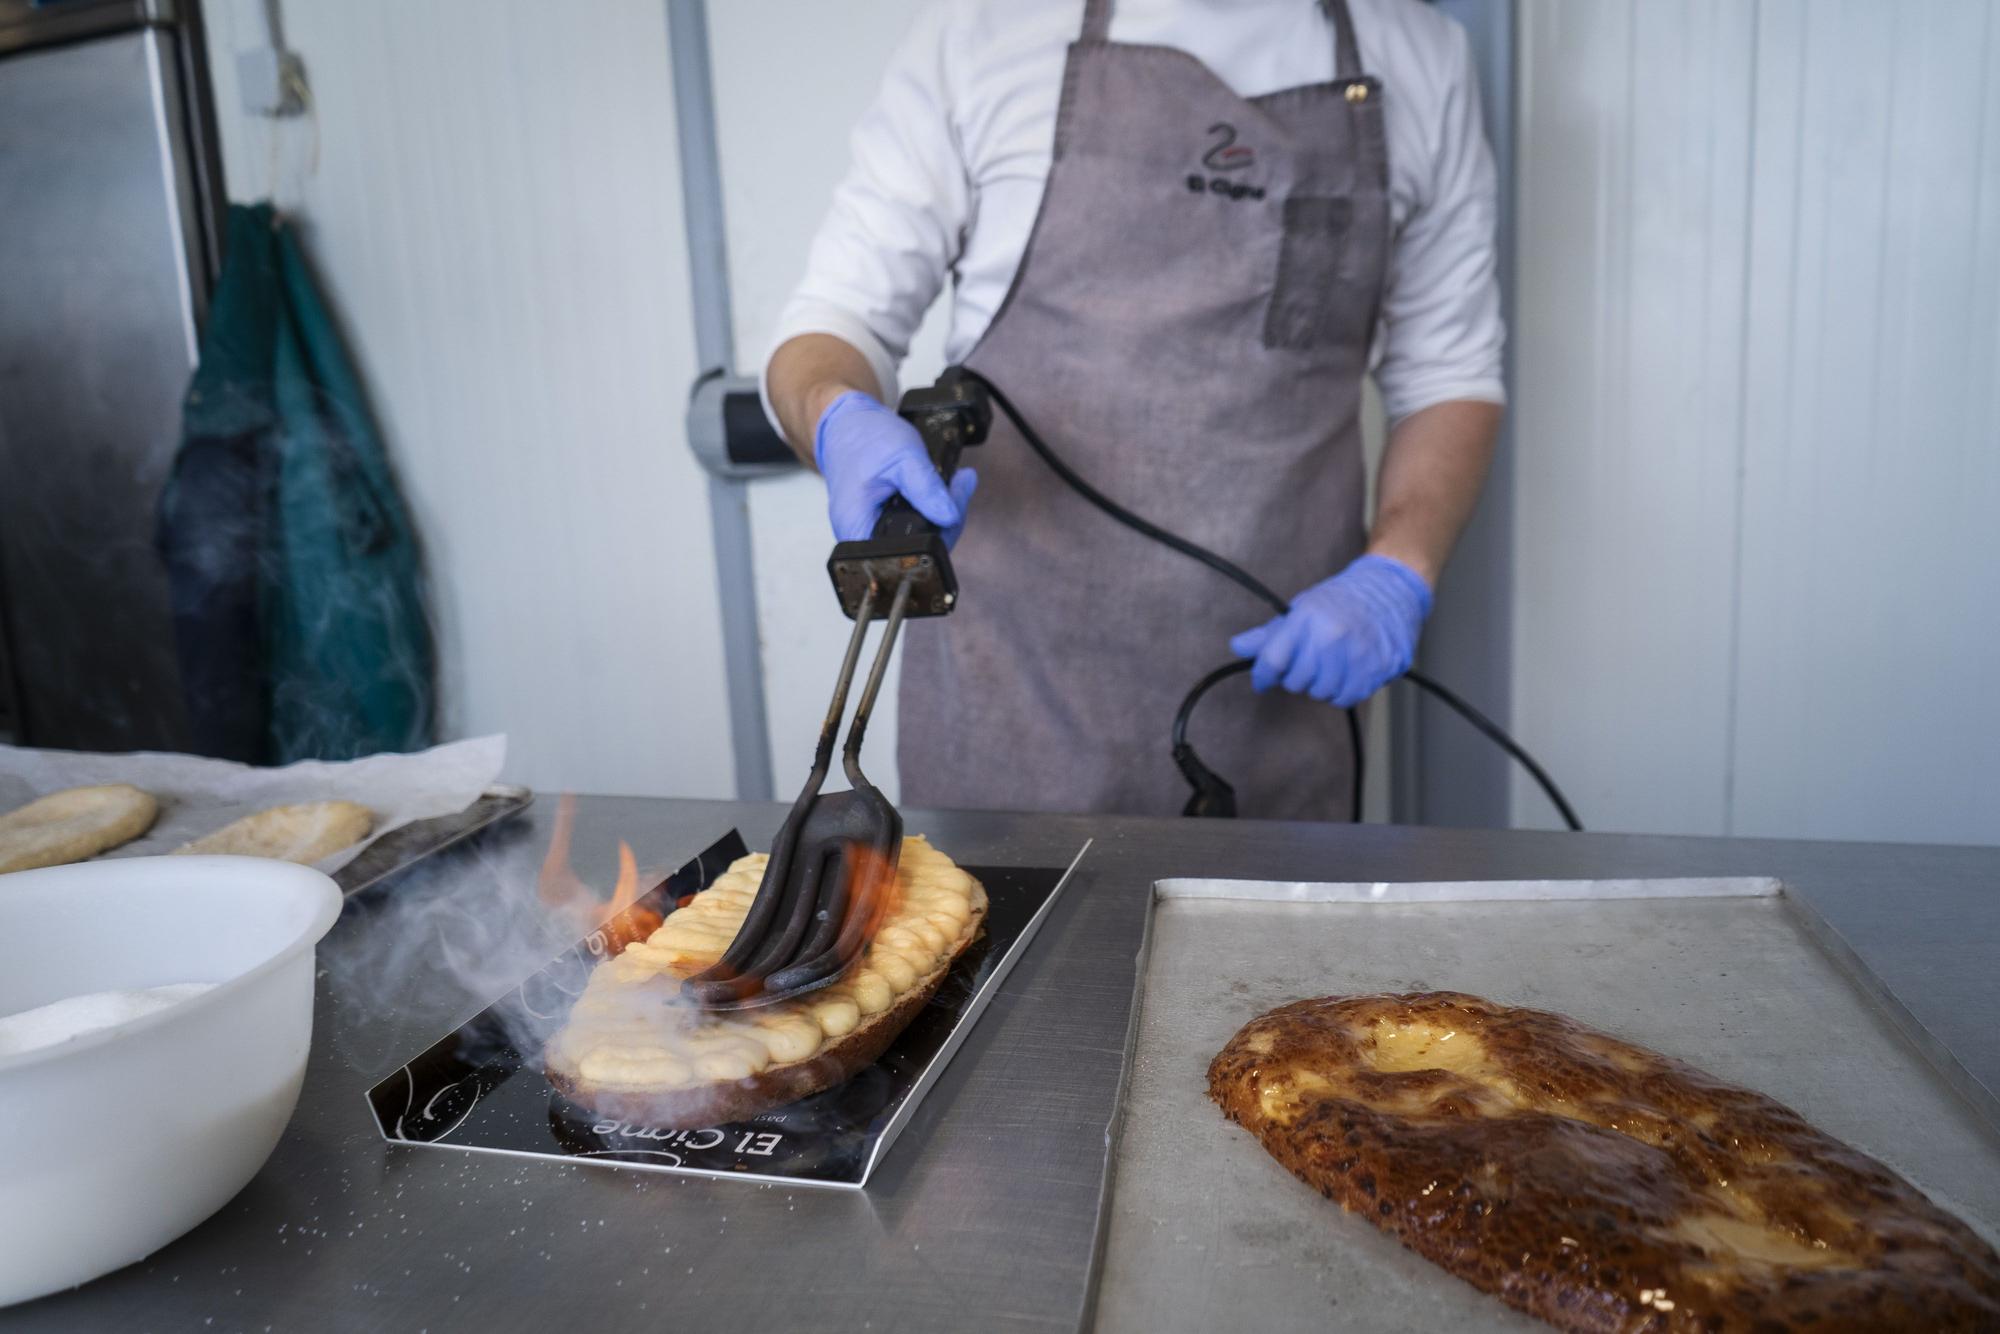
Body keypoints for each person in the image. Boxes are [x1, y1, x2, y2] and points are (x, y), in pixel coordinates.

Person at [762, 0, 1503, 820]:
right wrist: (833, 414)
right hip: (1010, 709)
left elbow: (1449, 372)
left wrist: (1399, 570)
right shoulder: (981, 32)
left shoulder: (1420, 57)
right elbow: (838, 320)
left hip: (1281, 702)